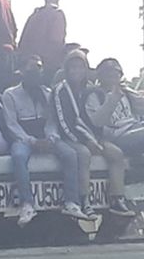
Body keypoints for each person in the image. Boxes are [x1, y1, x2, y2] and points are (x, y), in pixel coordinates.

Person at [2, 55, 90, 224]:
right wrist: (31, 141)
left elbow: (52, 121)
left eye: (39, 68)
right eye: (32, 68)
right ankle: (27, 204)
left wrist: (51, 138)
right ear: (21, 71)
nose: (36, 72)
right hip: (24, 138)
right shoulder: (10, 94)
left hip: (47, 137)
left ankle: (72, 202)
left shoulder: (48, 93)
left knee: (70, 154)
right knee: (18, 157)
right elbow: (12, 125)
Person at [52, 50, 134, 217]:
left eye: (81, 67)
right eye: (72, 67)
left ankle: (117, 199)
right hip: (69, 137)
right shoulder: (60, 90)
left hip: (94, 137)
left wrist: (95, 140)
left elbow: (95, 119)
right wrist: (86, 141)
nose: (77, 71)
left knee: (116, 154)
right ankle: (85, 200)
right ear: (66, 69)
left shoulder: (91, 90)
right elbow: (64, 123)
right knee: (84, 154)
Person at [17, 0, 67, 76]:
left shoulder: (34, 15)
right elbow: (56, 41)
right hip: (49, 67)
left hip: (28, 66)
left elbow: (23, 42)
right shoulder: (57, 15)